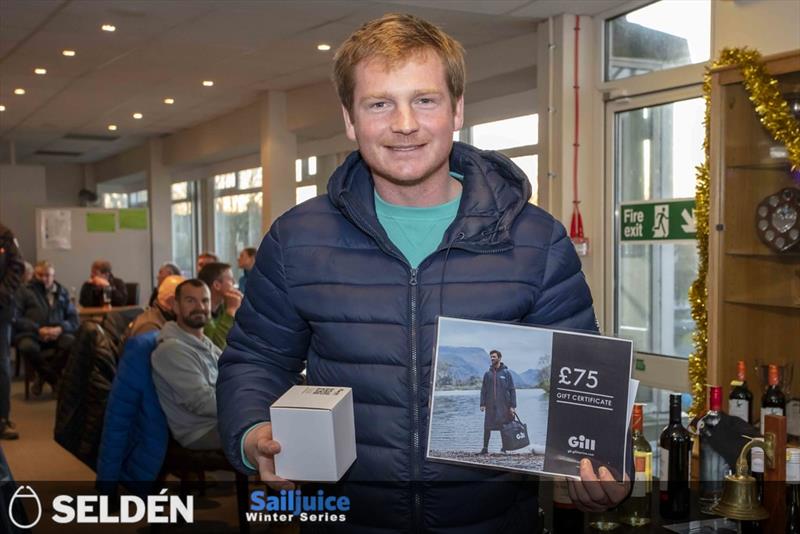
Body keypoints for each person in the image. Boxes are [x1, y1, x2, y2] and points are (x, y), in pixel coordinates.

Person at [217, 13, 627, 532]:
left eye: (424, 100)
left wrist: (603, 471)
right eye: (380, 103)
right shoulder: (298, 239)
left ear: (457, 109)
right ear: (350, 118)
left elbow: (584, 382)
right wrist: (253, 432)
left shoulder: (536, 240)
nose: (404, 123)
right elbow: (254, 358)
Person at [151, 279, 221, 450]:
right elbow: (203, 403)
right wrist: (246, 402)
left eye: (205, 300)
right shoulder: (171, 350)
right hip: (202, 430)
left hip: (223, 418)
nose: (199, 307)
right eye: (190, 301)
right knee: (276, 434)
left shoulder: (203, 342)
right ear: (175, 306)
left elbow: (233, 374)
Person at [14, 260, 79, 396]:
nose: (44, 278)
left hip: (57, 333)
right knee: (27, 347)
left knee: (71, 343)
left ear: (53, 276)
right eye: (40, 275)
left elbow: (73, 319)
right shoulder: (24, 291)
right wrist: (38, 329)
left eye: (47, 275)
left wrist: (60, 328)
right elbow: (16, 318)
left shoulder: (62, 292)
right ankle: (54, 380)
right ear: (34, 275)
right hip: (32, 334)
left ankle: (42, 378)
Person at [0, 222, 23, 439]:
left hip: (1, 310)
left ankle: (2, 419)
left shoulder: (5, 235)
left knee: (2, 366)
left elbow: (17, 268)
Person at [197, 262, 242, 349]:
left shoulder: (224, 306)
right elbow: (216, 346)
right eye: (230, 279)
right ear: (217, 285)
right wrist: (231, 310)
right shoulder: (200, 312)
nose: (234, 282)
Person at [479, 349, 516, 454]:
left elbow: (512, 390)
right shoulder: (487, 374)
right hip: (490, 406)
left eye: (494, 357)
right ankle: (485, 448)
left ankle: (504, 448)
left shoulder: (506, 373)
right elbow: (483, 390)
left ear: (499, 358)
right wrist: (482, 404)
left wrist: (512, 406)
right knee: (487, 427)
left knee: (503, 427)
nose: (492, 358)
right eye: (491, 357)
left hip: (503, 406)